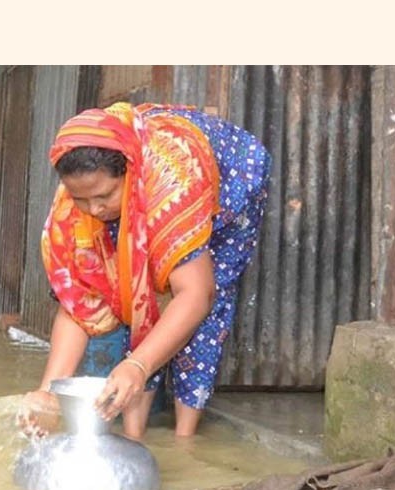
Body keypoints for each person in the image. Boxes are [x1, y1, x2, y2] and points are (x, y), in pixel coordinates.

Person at [25, 102, 271, 441]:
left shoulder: (172, 182)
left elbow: (198, 294)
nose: (93, 209)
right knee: (136, 291)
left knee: (204, 296)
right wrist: (48, 394)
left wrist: (138, 365)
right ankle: (133, 439)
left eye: (104, 196)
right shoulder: (74, 203)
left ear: (130, 170)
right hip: (153, 187)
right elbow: (77, 299)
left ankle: (184, 438)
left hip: (232, 180)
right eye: (82, 199)